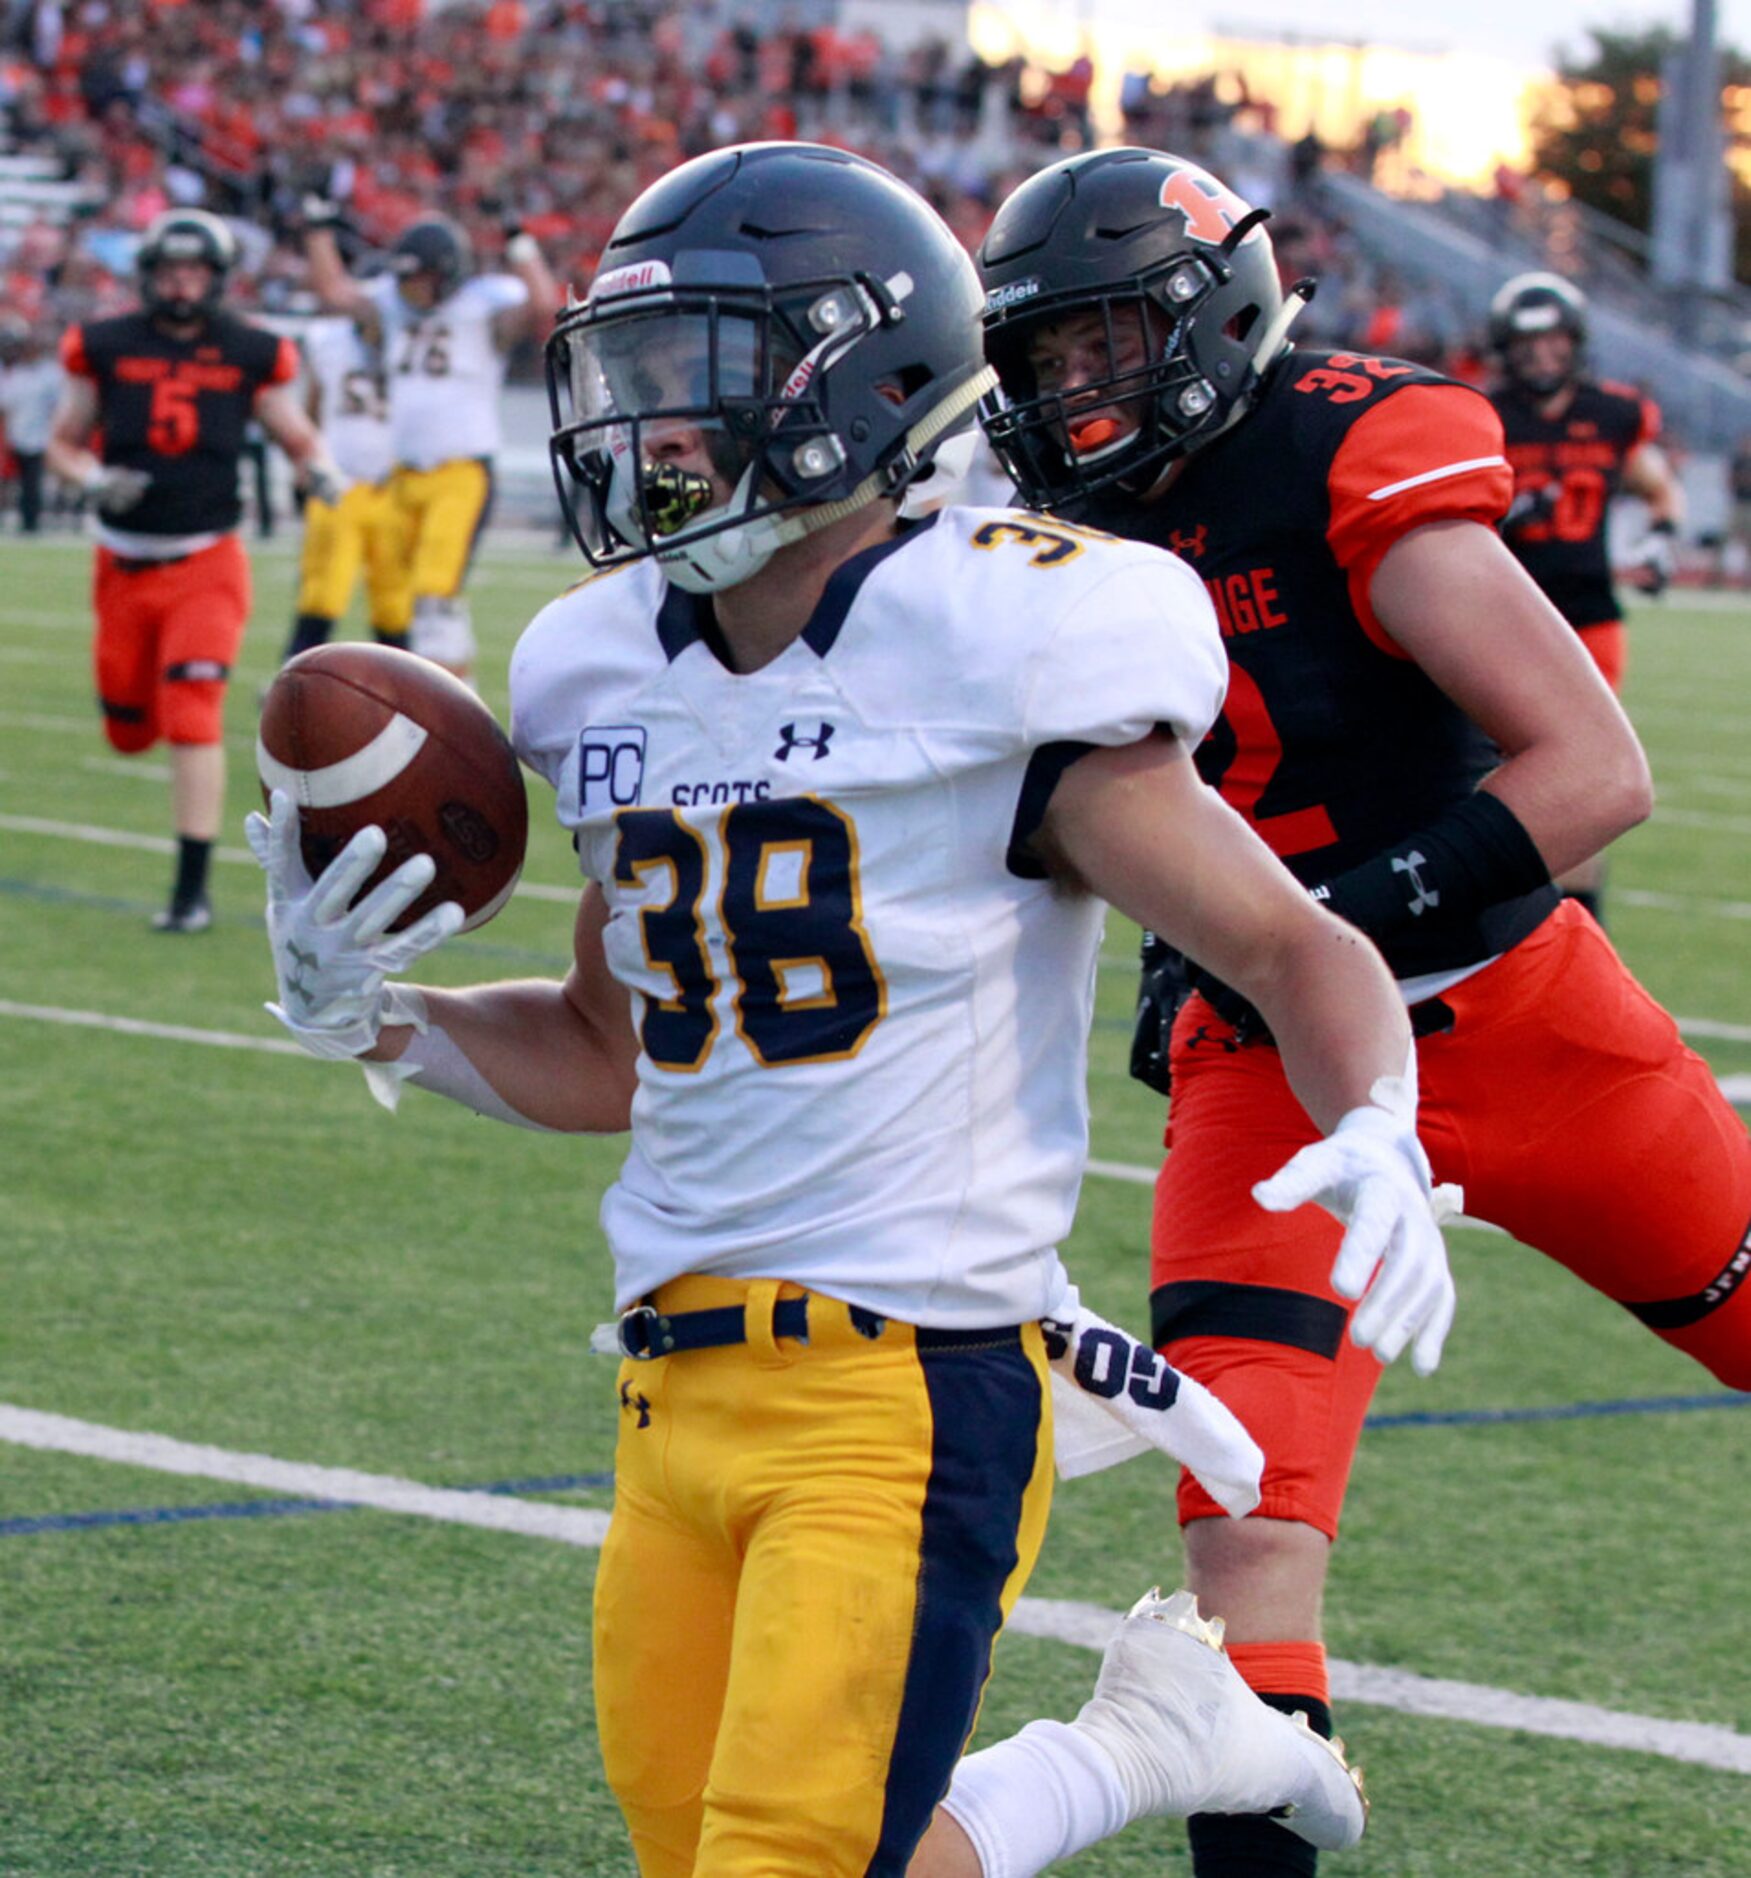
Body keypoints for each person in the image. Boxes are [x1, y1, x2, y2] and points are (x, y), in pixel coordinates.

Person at [250, 143, 1459, 1876]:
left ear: (852, 373)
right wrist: (372, 1015)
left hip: (906, 1382)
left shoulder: (1009, 629)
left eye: (694, 374)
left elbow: (1294, 948)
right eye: (635, 374)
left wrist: (1376, 1121)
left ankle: (1129, 1747)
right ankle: (1142, 1735)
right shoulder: (598, 664)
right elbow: (610, 1048)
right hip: (672, 1392)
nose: (647, 425)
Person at [972, 147, 1751, 1878]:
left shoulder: (1344, 440)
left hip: (1524, 1014)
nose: (1074, 393)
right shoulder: (1026, 525)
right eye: (1045, 360)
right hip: (1265, 1077)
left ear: (1212, 310)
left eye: (1108, 343)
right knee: (1244, 1523)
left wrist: (1319, 922)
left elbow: (1593, 769)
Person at [44, 207, 343, 934]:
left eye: (194, 272)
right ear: (149, 277)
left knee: (192, 712)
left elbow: (294, 430)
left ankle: (190, 891)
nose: (181, 285)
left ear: (215, 279)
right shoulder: (105, 344)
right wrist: (89, 480)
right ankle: (183, 868)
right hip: (122, 563)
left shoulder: (248, 350)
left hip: (208, 559)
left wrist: (320, 468)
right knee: (127, 729)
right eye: (170, 271)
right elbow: (61, 443)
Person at [1487, 271, 1685, 922]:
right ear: (1504, 351)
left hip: (1588, 615)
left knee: (1578, 775)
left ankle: (1574, 929)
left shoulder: (1610, 414)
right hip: (1499, 618)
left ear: (1575, 344)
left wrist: (1658, 539)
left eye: (1553, 343)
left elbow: (1658, 488)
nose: (1542, 358)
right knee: (1495, 772)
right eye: (1527, 345)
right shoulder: (1484, 416)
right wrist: (1500, 514)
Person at [299, 205, 560, 682]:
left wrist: (520, 245)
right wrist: (318, 230)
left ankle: (454, 703)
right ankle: (432, 696)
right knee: (403, 605)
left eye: (422, 278)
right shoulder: (391, 305)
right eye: (408, 278)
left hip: (460, 471)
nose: (412, 289)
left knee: (436, 594)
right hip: (402, 474)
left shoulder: (482, 309)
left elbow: (543, 304)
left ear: (449, 274)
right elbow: (335, 292)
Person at [280, 314, 410, 664]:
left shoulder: (413, 337)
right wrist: (305, 463)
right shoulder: (331, 341)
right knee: (321, 596)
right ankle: (292, 686)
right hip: (339, 484)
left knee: (394, 606)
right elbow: (312, 406)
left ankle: (406, 699)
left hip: (394, 488)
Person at [0, 316, 62, 534]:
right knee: (7, 482)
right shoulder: (12, 374)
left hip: (38, 436)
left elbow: (58, 406)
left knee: (32, 484)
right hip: (13, 435)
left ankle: (30, 523)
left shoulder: (49, 373)